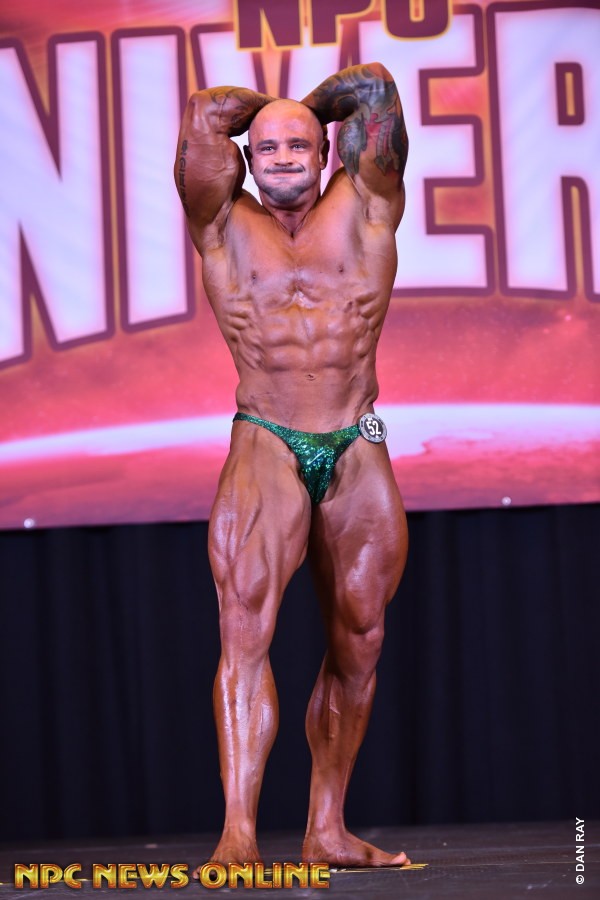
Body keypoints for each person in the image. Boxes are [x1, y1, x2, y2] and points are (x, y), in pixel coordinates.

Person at [174, 62, 410, 869]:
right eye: (267, 145)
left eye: (298, 145)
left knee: (362, 637)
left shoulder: (368, 202)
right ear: (247, 156)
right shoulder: (220, 219)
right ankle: (238, 833)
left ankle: (326, 829)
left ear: (326, 151)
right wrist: (279, 111)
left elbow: (374, 89)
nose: (281, 156)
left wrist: (296, 112)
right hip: (266, 438)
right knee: (244, 630)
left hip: (357, 440)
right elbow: (207, 111)